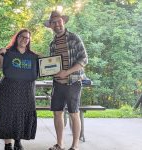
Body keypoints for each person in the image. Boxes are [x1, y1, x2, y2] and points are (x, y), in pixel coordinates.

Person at [0, 29, 39, 150]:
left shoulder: (34, 56)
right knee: (6, 115)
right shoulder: (7, 52)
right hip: (8, 89)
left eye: (27, 38)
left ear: (29, 41)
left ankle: (18, 142)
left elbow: (45, 69)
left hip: (26, 91)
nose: (24, 39)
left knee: (20, 115)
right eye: (22, 36)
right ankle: (8, 144)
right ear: (17, 37)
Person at [44, 11, 88, 150]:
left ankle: (75, 146)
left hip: (73, 82)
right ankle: (60, 144)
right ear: (50, 25)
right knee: (57, 113)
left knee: (74, 113)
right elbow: (52, 64)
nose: (57, 24)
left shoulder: (74, 38)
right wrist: (47, 70)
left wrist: (66, 72)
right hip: (57, 84)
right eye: (53, 22)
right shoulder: (52, 44)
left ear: (63, 21)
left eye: (59, 21)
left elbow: (84, 59)